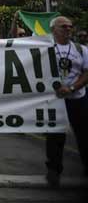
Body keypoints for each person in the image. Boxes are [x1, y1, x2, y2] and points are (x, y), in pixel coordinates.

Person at [45, 16, 88, 187]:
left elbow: (86, 73)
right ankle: (54, 170)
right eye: (63, 26)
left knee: (84, 135)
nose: (68, 29)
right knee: (55, 136)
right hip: (55, 100)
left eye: (70, 26)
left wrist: (71, 89)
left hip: (77, 98)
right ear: (53, 29)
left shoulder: (81, 49)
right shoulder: (45, 48)